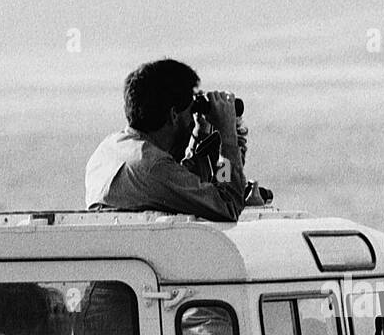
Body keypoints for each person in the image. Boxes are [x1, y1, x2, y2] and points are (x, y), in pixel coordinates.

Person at [84, 58, 261, 221]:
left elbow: (182, 187)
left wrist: (199, 135)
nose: (191, 117)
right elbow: (227, 202)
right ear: (173, 114)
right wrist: (227, 137)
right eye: (190, 110)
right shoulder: (153, 167)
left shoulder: (107, 150)